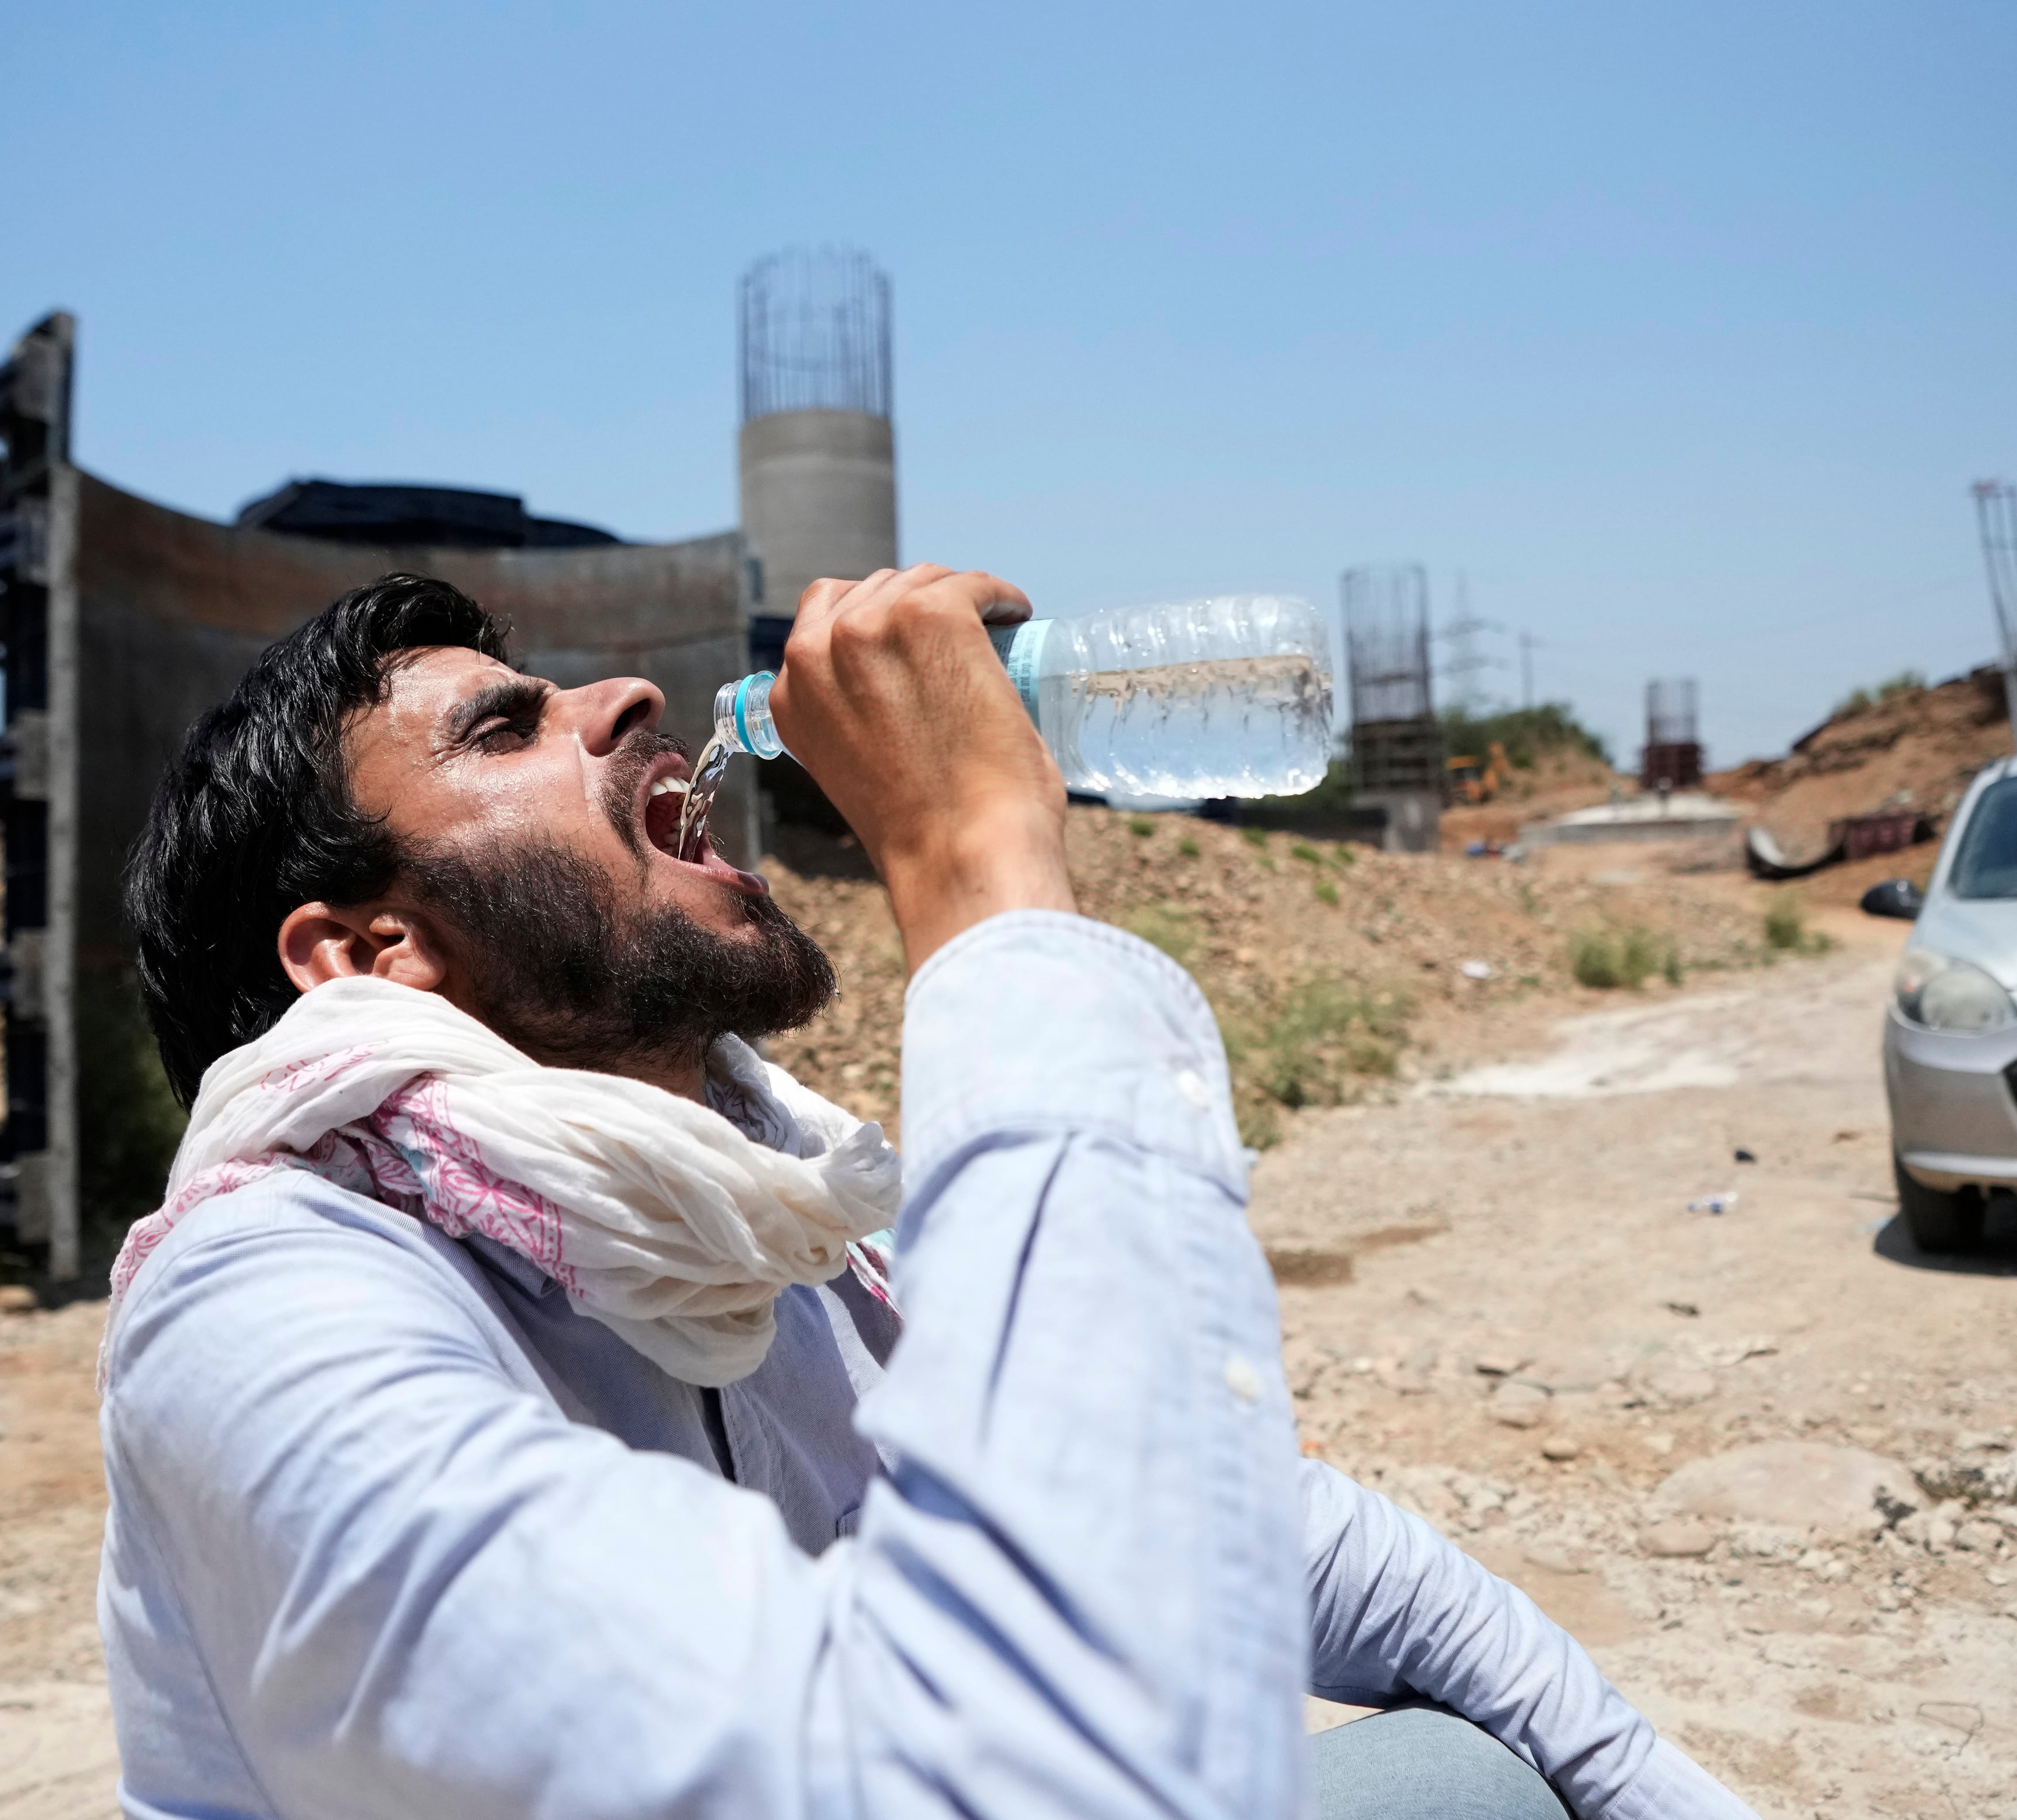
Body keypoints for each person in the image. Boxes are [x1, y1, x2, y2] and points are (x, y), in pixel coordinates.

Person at [97, 565, 1757, 1820]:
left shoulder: (770, 1216)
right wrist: (981, 870)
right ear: (370, 950)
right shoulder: (269, 1309)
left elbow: (1269, 1534)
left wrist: (1656, 1797)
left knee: (1478, 1780)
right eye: (503, 726)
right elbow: (1034, 1776)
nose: (616, 702)